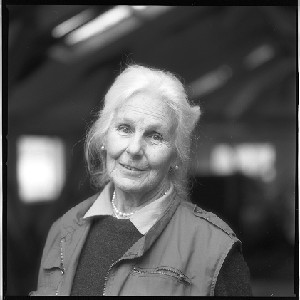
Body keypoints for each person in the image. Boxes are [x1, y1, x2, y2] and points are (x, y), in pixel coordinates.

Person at [30, 64, 252, 296]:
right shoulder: (64, 230)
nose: (134, 149)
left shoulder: (214, 247)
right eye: (124, 128)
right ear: (104, 137)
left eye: (155, 136)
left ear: (176, 155)